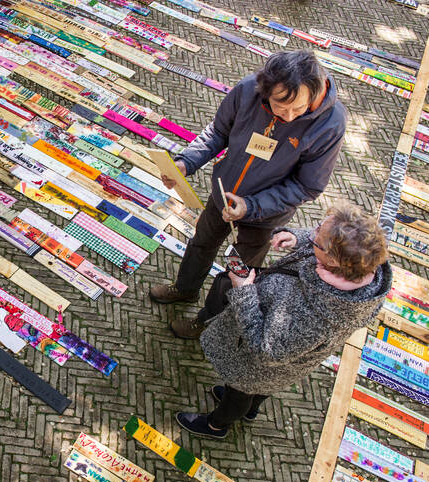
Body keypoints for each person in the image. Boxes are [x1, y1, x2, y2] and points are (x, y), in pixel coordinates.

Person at [149, 50, 347, 339]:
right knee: (201, 242)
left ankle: (207, 320)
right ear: (265, 90)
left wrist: (251, 206)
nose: (288, 116)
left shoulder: (331, 123)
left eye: (299, 108)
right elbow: (218, 132)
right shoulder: (246, 90)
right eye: (281, 105)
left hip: (266, 215)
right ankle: (185, 289)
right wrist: (186, 162)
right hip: (223, 194)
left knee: (239, 272)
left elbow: (308, 186)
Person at [175, 203, 392, 439]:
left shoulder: (320, 318)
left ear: (335, 260)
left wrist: (244, 293)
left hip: (260, 367)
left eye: (317, 237)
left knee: (240, 391)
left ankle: (217, 425)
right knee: (255, 391)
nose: (312, 234)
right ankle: (250, 409)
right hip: (278, 370)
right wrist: (296, 238)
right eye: (318, 227)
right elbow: (319, 241)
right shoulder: (358, 261)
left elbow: (266, 351)